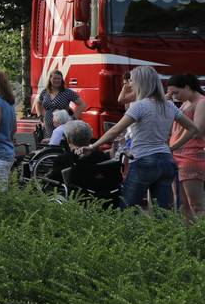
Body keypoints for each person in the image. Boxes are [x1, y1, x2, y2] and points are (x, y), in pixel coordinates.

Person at [81, 66, 201, 210]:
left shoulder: (139, 106)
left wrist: (92, 147)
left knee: (128, 208)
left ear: (141, 82)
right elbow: (193, 128)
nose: (129, 84)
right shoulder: (169, 105)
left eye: (131, 81)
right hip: (166, 160)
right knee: (162, 212)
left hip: (143, 159)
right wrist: (172, 148)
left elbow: (115, 130)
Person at [168, 73, 205, 221]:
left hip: (191, 156)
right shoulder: (186, 102)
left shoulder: (201, 102)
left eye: (176, 92)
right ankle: (187, 239)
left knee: (196, 204)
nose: (175, 96)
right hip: (177, 155)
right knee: (182, 204)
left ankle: (200, 239)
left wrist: (174, 145)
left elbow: (198, 130)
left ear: (188, 87)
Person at [32, 70, 87, 141]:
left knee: (60, 143)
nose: (57, 80)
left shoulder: (67, 92)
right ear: (50, 79)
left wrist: (73, 117)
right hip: (47, 124)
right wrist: (40, 115)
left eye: (59, 79)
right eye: (54, 78)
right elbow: (38, 103)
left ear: (62, 80)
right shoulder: (45, 92)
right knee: (49, 145)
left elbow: (82, 104)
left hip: (62, 124)